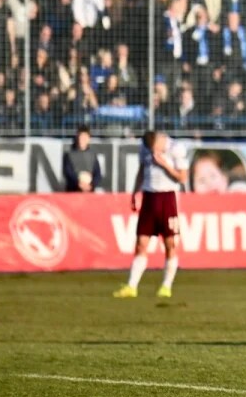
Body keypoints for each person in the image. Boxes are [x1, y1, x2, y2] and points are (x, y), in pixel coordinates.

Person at [114, 131, 188, 299]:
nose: (154, 152)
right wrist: (135, 192)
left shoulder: (176, 148)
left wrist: (165, 165)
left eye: (156, 148)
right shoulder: (145, 148)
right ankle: (131, 286)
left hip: (168, 198)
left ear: (161, 141)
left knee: (170, 244)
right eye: (151, 149)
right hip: (149, 197)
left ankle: (166, 286)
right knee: (141, 243)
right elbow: (141, 170)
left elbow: (182, 177)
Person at [62, 126, 102, 192]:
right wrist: (79, 183)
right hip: (73, 191)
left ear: (88, 139)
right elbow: (68, 173)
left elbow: (98, 174)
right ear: (77, 138)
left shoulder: (92, 155)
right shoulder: (69, 155)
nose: (82, 140)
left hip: (89, 192)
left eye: (85, 138)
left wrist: (91, 185)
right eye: (81, 137)